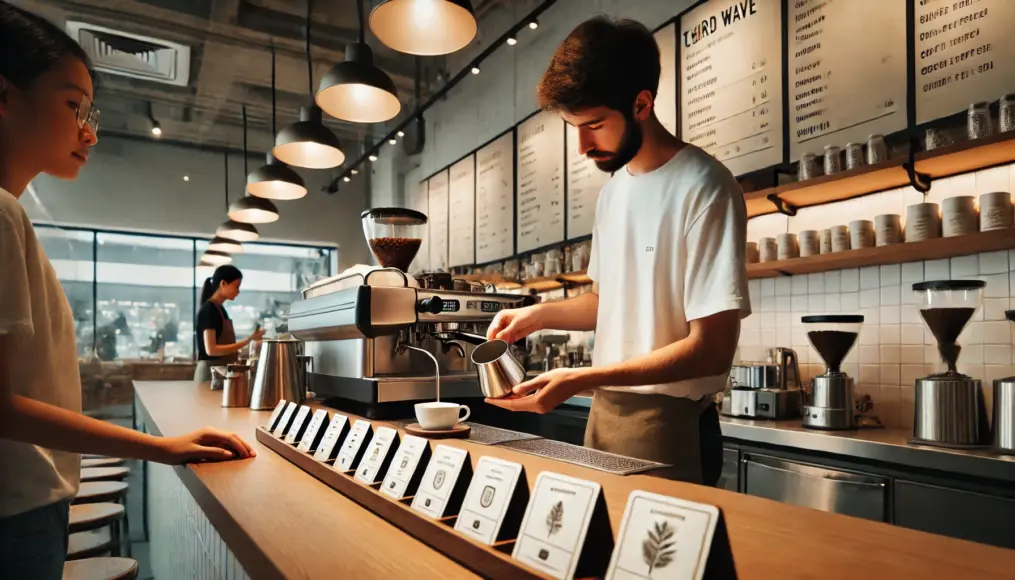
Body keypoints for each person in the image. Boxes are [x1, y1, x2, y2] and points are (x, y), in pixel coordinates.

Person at [0, 4, 254, 577]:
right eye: (73, 105)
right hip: (18, 512)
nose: (89, 130)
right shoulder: (1, 214)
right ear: (5, 95)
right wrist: (162, 448)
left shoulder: (12, 215)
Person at [485, 17, 750, 485]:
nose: (584, 146)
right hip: (604, 416)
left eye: (594, 125)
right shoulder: (614, 192)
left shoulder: (705, 188)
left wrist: (582, 377)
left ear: (642, 103)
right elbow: (606, 303)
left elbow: (710, 352)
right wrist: (536, 315)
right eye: (574, 127)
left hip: (669, 424)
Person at [194, 265, 264, 382]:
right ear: (223, 284)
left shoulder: (220, 310)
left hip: (220, 371)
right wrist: (248, 340)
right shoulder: (209, 310)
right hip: (209, 373)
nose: (238, 291)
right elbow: (211, 350)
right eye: (236, 286)